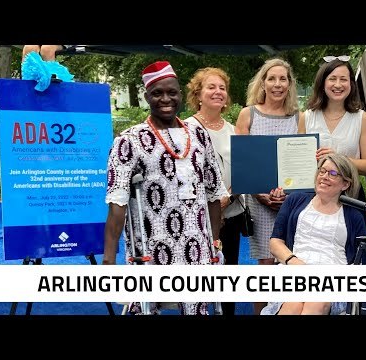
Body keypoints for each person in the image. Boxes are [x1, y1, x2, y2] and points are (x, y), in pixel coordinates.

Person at [102, 61, 226, 315]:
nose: (166, 99)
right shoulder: (129, 140)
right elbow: (117, 204)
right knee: (145, 308)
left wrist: (214, 242)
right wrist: (108, 260)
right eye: (157, 93)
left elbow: (213, 193)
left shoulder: (199, 134)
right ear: (146, 96)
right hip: (151, 245)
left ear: (181, 95)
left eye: (172, 92)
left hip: (197, 246)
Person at [261, 153, 366, 315]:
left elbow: (359, 262)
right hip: (294, 271)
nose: (324, 177)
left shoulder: (354, 216)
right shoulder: (295, 200)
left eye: (332, 174)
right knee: (293, 305)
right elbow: (275, 242)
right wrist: (294, 262)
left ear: (345, 184)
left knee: (316, 301)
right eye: (322, 171)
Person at [235, 58, 300, 315]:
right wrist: (260, 194)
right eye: (271, 78)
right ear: (263, 82)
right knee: (265, 263)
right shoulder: (247, 113)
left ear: (290, 83)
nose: (277, 84)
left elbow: (301, 161)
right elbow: (242, 162)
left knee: (288, 260)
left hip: (290, 200)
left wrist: (289, 194)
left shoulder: (299, 117)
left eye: (283, 78)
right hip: (258, 200)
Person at [184, 67, 245, 316]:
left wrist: (225, 197)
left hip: (229, 214)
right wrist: (209, 202)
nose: (218, 92)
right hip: (195, 218)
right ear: (198, 94)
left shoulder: (233, 130)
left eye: (222, 88)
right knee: (196, 276)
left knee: (226, 273)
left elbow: (243, 170)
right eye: (211, 87)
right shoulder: (184, 129)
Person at [298, 55, 366, 200]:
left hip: (349, 195)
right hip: (313, 194)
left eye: (343, 79)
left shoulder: (361, 118)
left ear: (351, 84)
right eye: (332, 79)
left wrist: (340, 159)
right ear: (322, 83)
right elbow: (298, 160)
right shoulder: (307, 117)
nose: (338, 84)